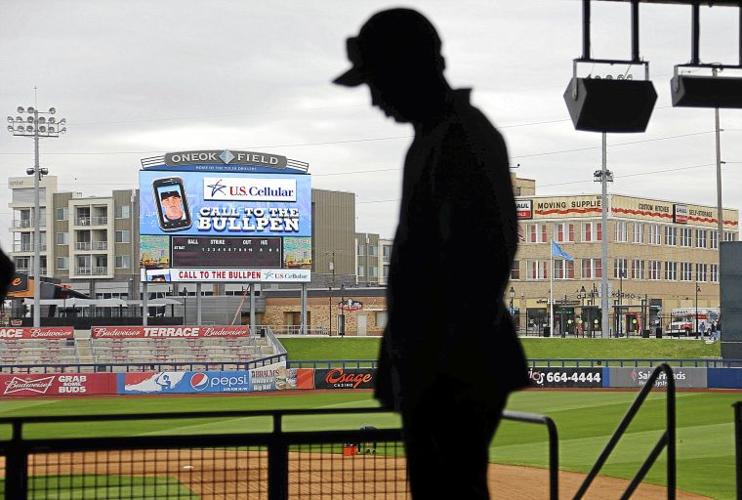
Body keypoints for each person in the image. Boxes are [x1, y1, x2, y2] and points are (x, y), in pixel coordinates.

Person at [334, 9, 529, 499]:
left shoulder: (459, 138)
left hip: (451, 365)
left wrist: (435, 367)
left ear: (409, 68)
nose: (375, 99)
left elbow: (481, 260)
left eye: (376, 81)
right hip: (441, 362)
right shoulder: (437, 137)